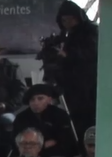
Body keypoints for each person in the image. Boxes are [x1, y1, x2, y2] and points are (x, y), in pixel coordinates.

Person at [50, 1, 99, 136]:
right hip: (71, 83)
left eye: (69, 19)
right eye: (63, 20)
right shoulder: (68, 34)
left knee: (87, 117)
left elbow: (93, 52)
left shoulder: (91, 31)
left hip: (87, 82)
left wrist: (69, 54)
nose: (66, 23)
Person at [12, 84, 79, 157]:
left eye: (40, 99)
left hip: (56, 155)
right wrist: (44, 144)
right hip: (26, 155)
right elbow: (15, 141)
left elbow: (66, 141)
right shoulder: (21, 118)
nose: (36, 102)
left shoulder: (60, 115)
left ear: (49, 100)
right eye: (32, 99)